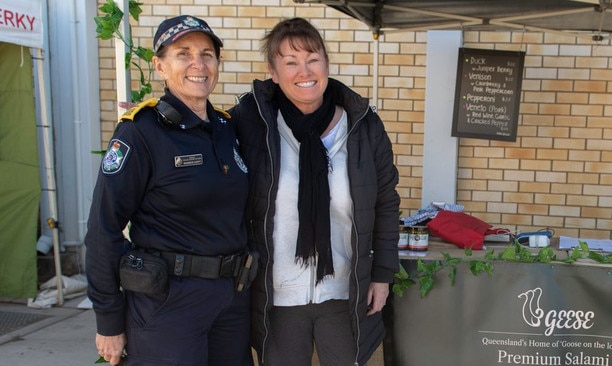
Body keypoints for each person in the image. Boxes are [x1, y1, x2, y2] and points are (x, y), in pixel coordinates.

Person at [230, 17, 401, 366]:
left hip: (343, 294)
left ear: (326, 64)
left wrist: (382, 275)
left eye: (312, 58)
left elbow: (386, 205)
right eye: (290, 62)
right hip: (278, 296)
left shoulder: (363, 126)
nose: (303, 70)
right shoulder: (251, 123)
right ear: (273, 73)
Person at [85, 15, 253, 366]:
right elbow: (104, 228)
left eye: (207, 54)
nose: (198, 64)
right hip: (168, 302)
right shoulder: (140, 133)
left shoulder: (227, 128)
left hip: (230, 299)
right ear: (159, 65)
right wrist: (109, 319)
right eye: (183, 53)